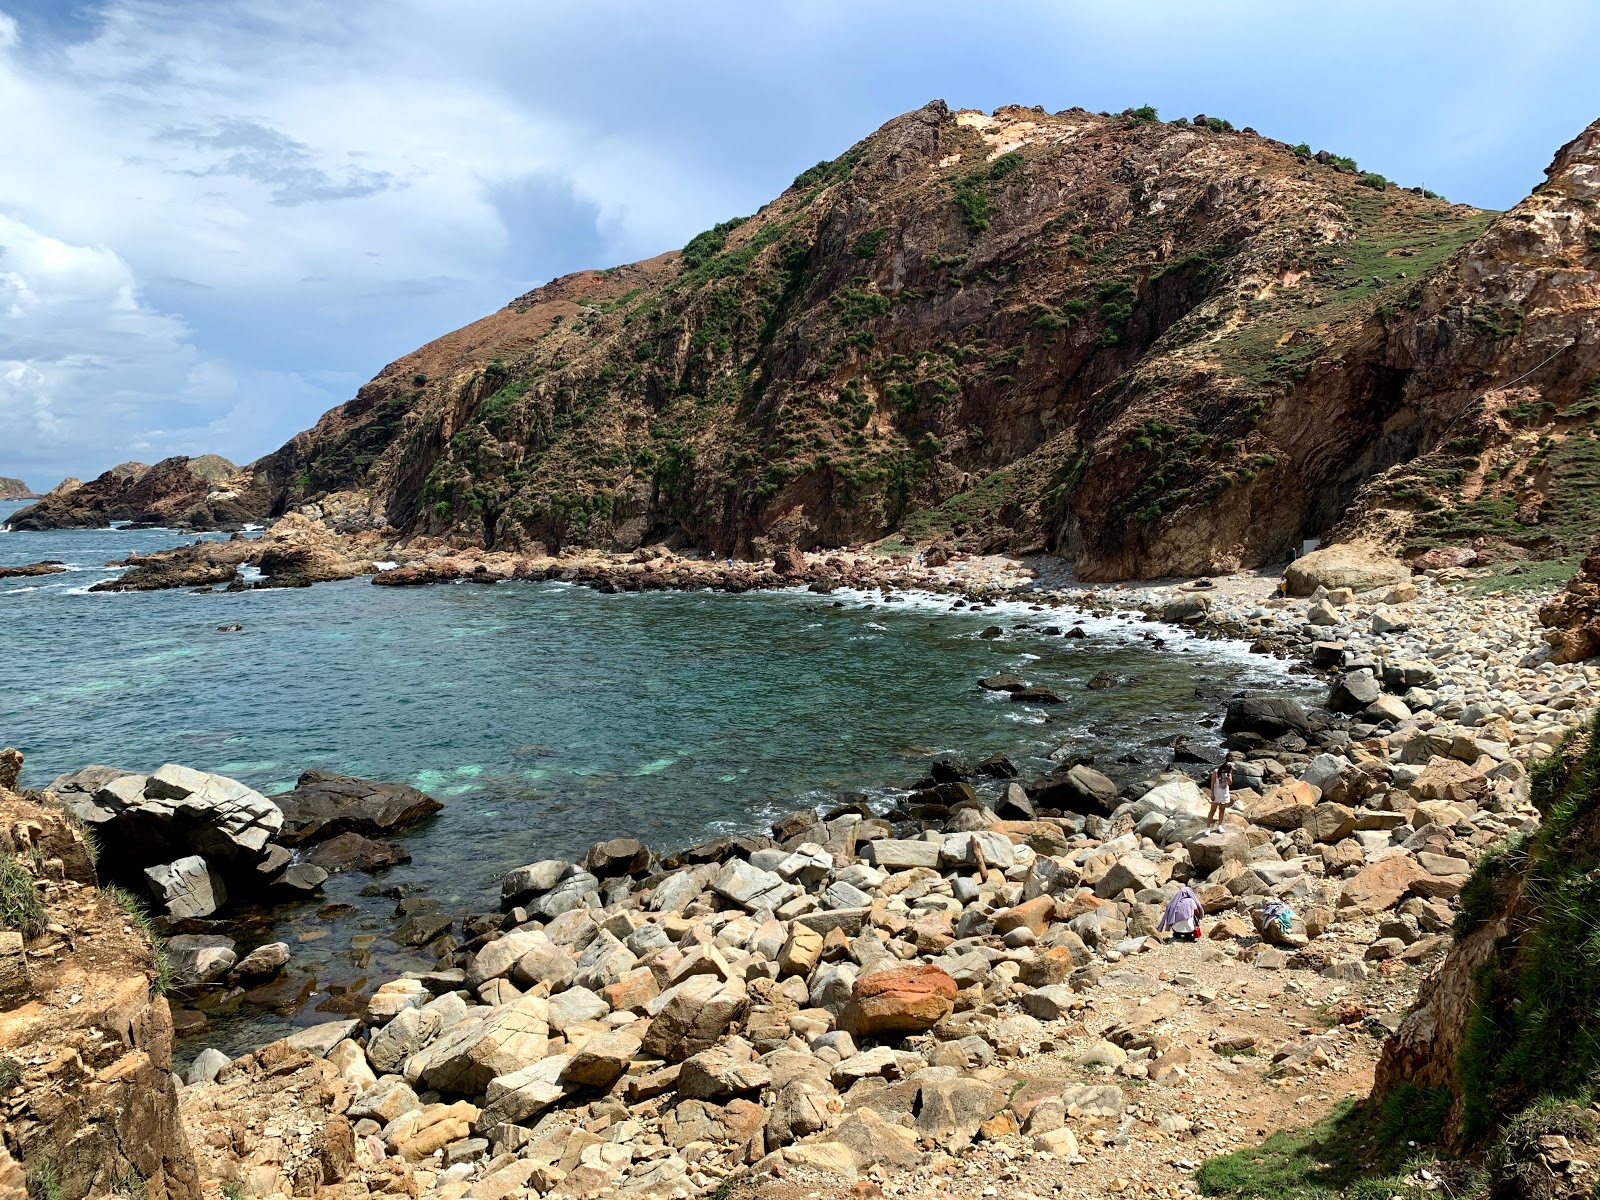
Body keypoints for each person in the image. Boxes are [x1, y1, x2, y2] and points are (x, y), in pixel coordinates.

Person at [1206, 763, 1234, 829]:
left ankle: (1219, 825)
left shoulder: (1228, 773)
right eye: (1226, 770)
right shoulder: (1216, 772)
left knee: (1222, 810)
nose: (1227, 771)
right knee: (1212, 810)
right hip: (1217, 794)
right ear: (1223, 768)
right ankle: (1208, 827)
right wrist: (1212, 794)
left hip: (1224, 794)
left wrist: (1228, 776)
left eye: (1228, 770)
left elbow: (1230, 783)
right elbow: (1212, 784)